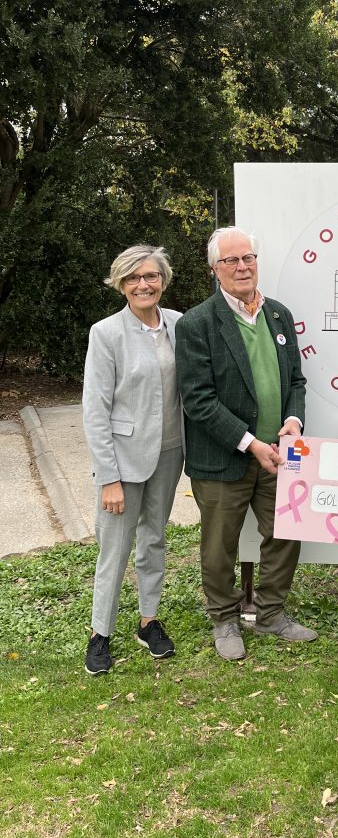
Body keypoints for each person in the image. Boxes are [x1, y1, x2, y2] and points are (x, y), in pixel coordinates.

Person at [174, 227, 316, 661]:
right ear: (215, 269)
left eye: (248, 258)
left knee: (286, 534)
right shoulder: (198, 323)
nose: (242, 267)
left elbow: (295, 379)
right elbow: (198, 399)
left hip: (280, 454)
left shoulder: (279, 315)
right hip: (223, 458)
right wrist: (251, 443)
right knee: (220, 544)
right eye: (231, 261)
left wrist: (293, 422)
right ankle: (224, 618)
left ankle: (272, 613)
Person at [82, 245, 184, 675]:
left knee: (154, 540)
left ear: (163, 280)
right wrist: (108, 477)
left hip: (170, 454)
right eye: (133, 278)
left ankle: (148, 621)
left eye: (151, 276)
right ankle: (100, 633)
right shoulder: (106, 333)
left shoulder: (180, 324)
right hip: (123, 462)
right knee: (115, 549)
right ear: (121, 284)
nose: (143, 284)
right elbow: (95, 409)